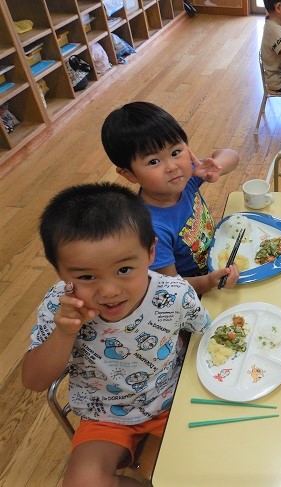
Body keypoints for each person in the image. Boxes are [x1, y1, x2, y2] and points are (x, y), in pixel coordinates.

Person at [22, 183, 211, 485]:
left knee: (211, 465)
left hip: (174, 399)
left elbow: (205, 336)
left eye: (124, 270)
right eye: (86, 276)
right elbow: (33, 381)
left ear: (150, 251)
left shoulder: (174, 293)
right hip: (105, 415)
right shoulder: (60, 307)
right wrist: (64, 331)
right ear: (59, 271)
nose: (109, 291)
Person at [101, 101, 240, 295]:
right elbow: (169, 286)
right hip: (194, 295)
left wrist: (215, 166)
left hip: (217, 261)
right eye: (153, 161)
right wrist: (209, 281)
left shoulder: (185, 178)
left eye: (176, 152)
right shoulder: (150, 228)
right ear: (128, 174)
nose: (172, 167)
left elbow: (231, 155)